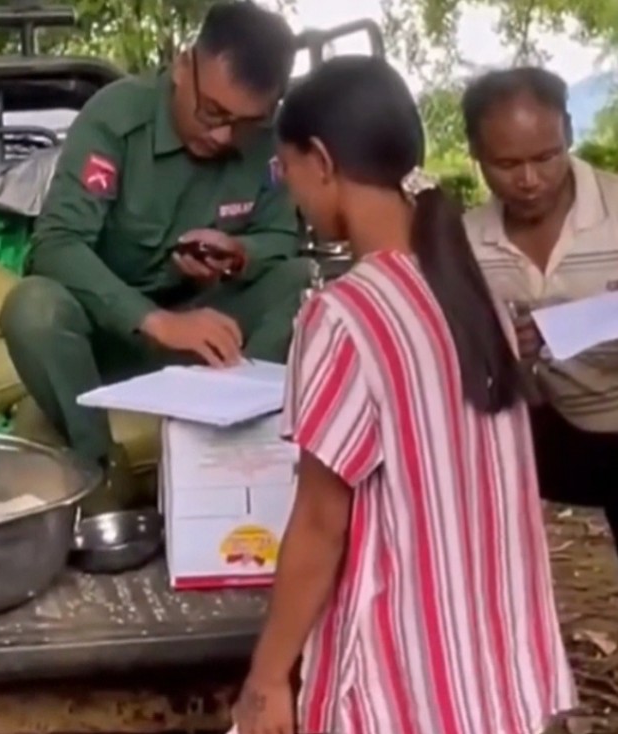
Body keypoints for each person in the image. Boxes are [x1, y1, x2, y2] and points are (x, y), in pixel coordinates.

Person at [233, 56, 575, 734]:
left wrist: (268, 677)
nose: (291, 193)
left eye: (287, 172)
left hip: (401, 685)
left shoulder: (344, 316)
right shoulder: (471, 292)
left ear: (320, 160)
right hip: (494, 678)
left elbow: (319, 526)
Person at [0, 0, 308, 508]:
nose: (223, 134)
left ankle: (236, 446)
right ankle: (100, 472)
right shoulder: (117, 119)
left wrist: (239, 254)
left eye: (246, 122)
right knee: (32, 307)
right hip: (106, 338)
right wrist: (154, 320)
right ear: (184, 68)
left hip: (209, 340)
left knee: (302, 281)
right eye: (213, 113)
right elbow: (56, 244)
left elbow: (282, 242)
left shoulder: (266, 144)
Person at [461, 67, 618, 553]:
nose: (530, 181)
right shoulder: (467, 243)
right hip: (552, 436)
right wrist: (500, 351)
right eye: (506, 164)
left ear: (569, 134)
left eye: (547, 157)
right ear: (476, 154)